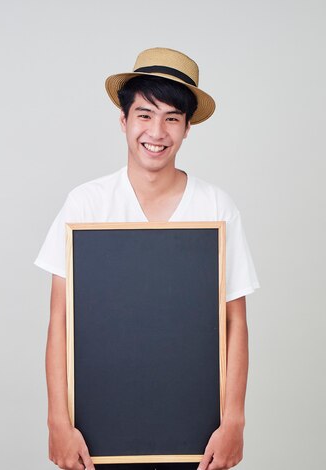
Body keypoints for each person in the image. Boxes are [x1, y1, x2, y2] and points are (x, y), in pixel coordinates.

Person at [35, 47, 259, 470]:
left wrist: (235, 422)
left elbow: (235, 322)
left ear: (187, 128)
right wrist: (57, 422)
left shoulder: (216, 207)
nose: (156, 131)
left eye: (172, 117)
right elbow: (60, 320)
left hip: (195, 433)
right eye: (144, 114)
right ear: (123, 121)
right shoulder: (87, 203)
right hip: (98, 431)